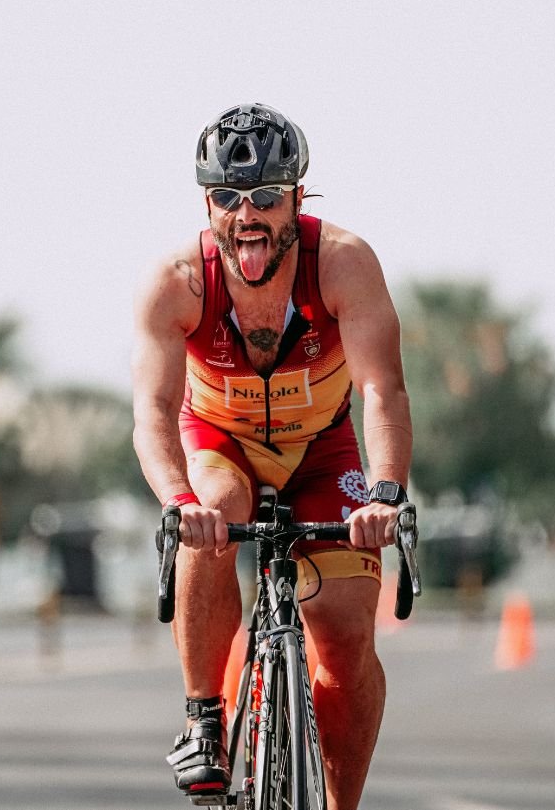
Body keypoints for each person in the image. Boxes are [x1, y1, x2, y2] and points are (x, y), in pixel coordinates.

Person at [132, 103, 411, 810]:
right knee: (213, 510)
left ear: (297, 196)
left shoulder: (344, 264)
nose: (245, 215)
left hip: (322, 448)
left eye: (263, 196)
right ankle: (203, 719)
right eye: (227, 197)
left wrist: (383, 492)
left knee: (346, 640)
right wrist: (176, 499)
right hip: (221, 444)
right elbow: (153, 413)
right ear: (208, 202)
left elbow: (382, 388)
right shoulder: (178, 282)